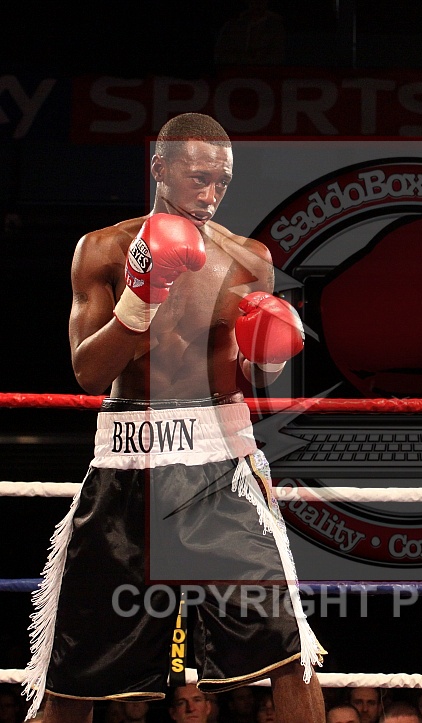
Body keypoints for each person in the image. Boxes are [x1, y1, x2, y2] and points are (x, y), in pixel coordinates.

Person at [22, 112, 326, 723]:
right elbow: (88, 373)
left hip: (222, 469)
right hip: (127, 466)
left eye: (222, 181)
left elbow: (254, 379)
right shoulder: (103, 250)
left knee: (288, 652)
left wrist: (269, 354)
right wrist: (141, 298)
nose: (211, 194)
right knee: (75, 674)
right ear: (159, 168)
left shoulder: (250, 259)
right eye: (198, 178)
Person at [214, 0, 286, 67]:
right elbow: (220, 55)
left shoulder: (276, 28)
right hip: (233, 74)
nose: (257, 3)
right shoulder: (231, 26)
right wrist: (245, 59)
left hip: (262, 74)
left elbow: (277, 57)